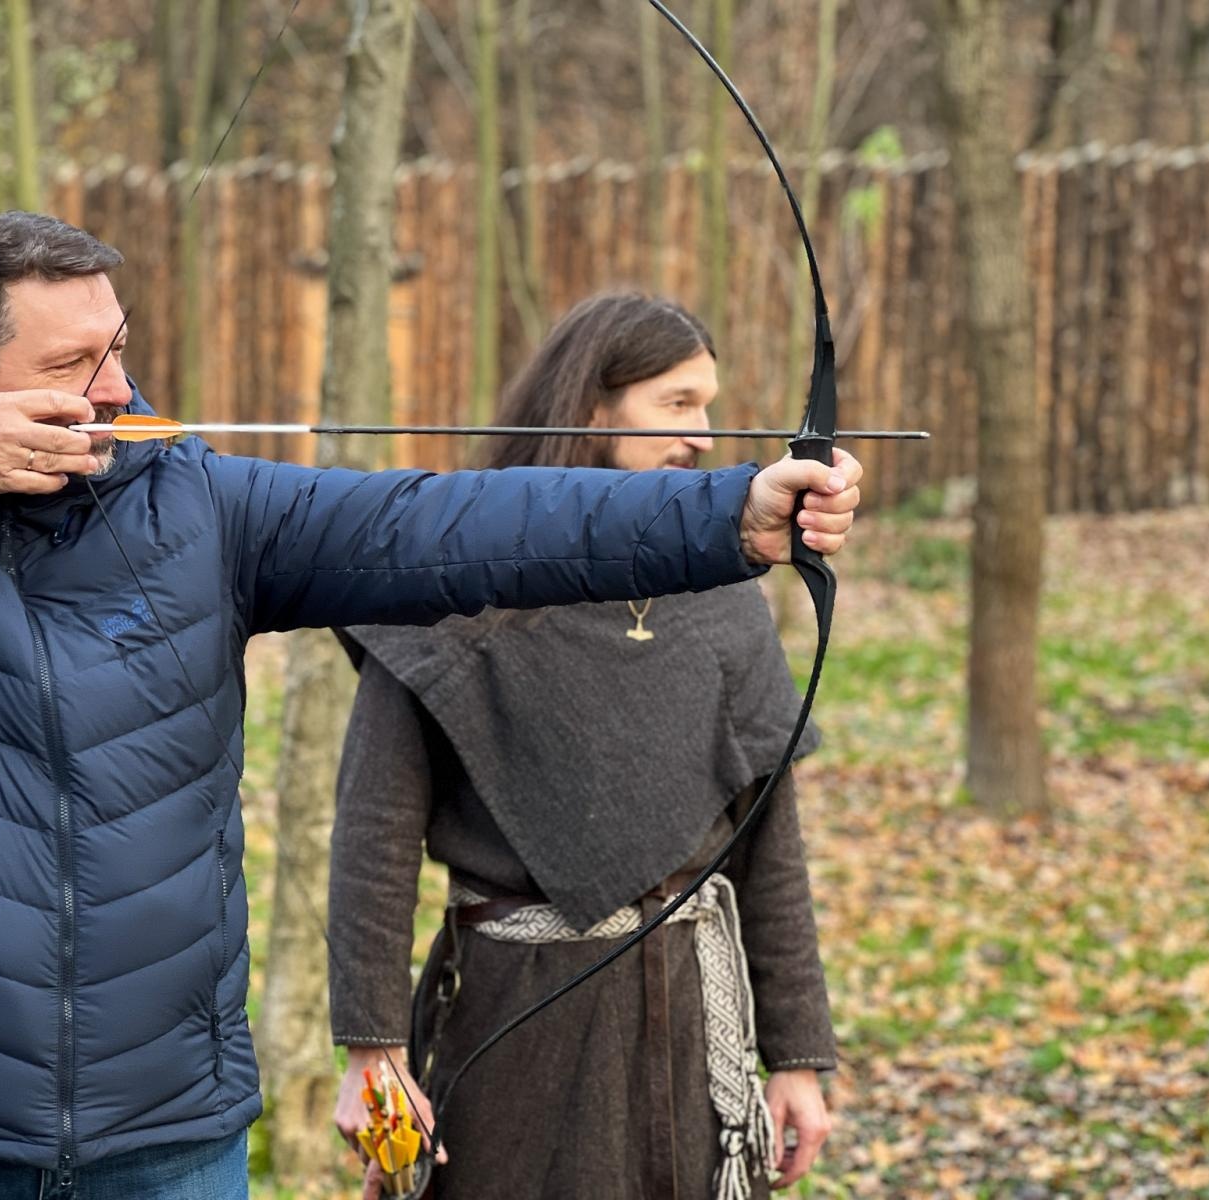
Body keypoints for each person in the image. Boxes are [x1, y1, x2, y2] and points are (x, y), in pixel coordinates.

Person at [0, 216, 860, 1199]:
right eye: (71, 365)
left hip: (168, 1132)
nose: (117, 388)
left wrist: (727, 517)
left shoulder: (204, 508)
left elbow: (451, 526)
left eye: (117, 347)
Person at [330, 293, 839, 1200]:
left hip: (696, 1019)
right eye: (676, 404)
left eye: (709, 407)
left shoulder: (722, 584)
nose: (703, 435)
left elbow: (768, 841)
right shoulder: (453, 576)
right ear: (593, 407)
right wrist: (375, 1054)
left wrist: (797, 1055)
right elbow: (375, 838)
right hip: (517, 1023)